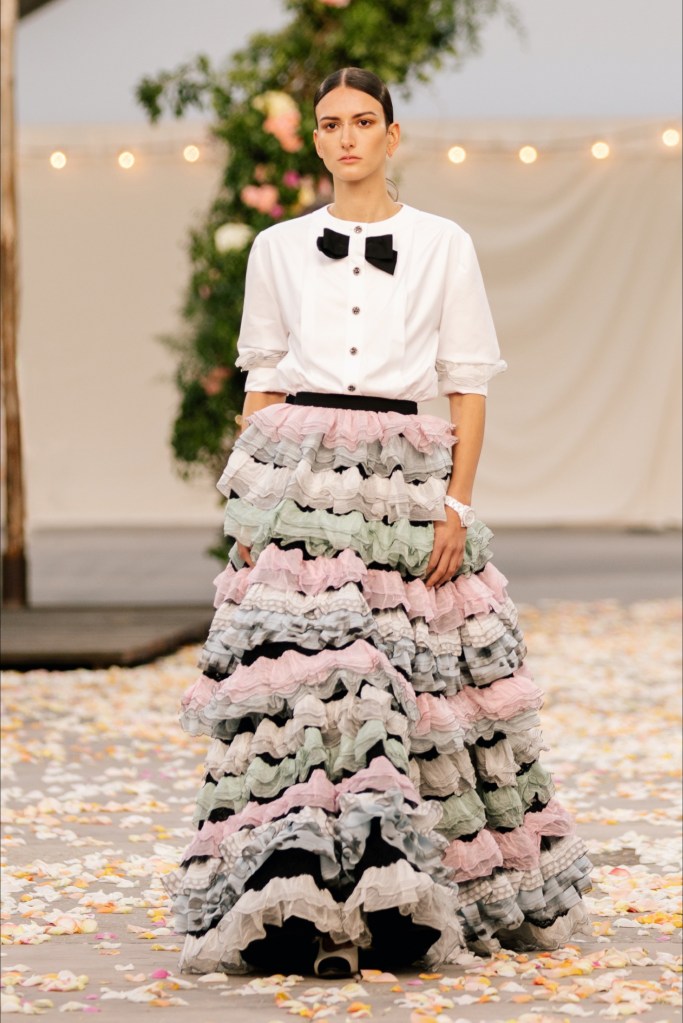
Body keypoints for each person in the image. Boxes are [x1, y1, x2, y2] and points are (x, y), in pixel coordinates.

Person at [164, 67, 592, 978]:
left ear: (392, 135)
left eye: (363, 121)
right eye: (330, 123)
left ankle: (403, 899)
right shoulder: (278, 248)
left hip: (402, 481)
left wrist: (456, 505)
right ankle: (297, 896)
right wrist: (250, 505)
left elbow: (466, 386)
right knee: (306, 691)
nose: (347, 137)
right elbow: (263, 382)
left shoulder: (442, 243)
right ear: (315, 140)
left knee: (410, 690)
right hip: (301, 476)